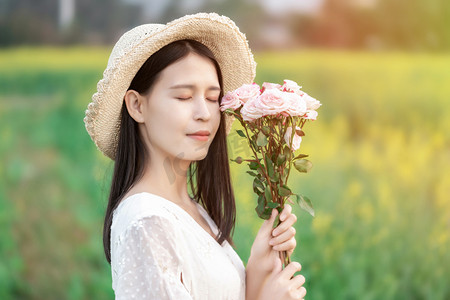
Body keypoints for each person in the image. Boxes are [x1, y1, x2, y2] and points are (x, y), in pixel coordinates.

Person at [84, 12, 307, 300]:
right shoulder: (147, 222)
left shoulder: (190, 209)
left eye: (213, 99)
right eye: (184, 97)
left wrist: (256, 273)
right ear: (137, 106)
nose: (205, 114)